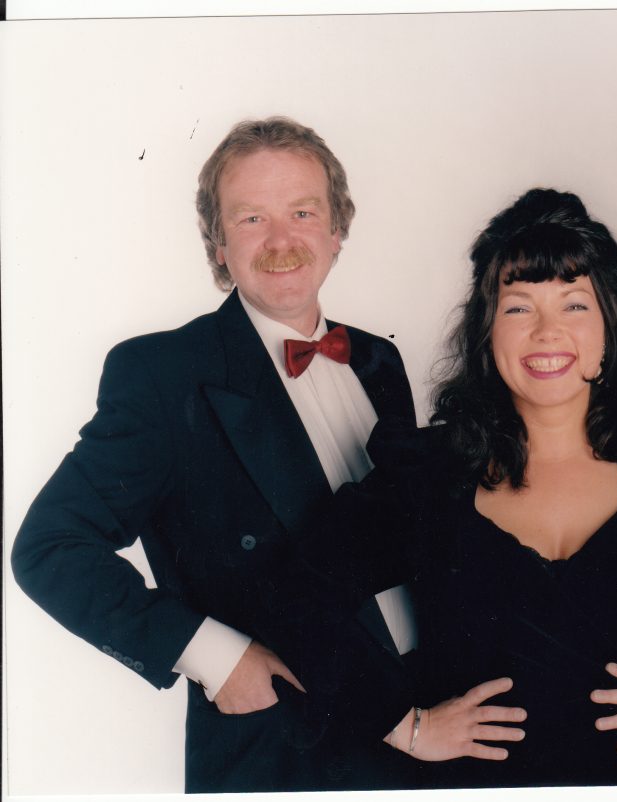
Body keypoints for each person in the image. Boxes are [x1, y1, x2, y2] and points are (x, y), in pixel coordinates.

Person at [276, 188, 617, 788]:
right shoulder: (429, 474)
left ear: (610, 326)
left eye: (574, 305)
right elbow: (294, 594)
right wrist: (403, 724)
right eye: (519, 308)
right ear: (487, 329)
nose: (547, 332)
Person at [10, 117, 418, 793]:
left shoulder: (379, 360)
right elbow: (50, 547)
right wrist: (214, 656)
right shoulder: (164, 375)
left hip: (420, 728)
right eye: (252, 218)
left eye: (303, 212)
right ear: (219, 244)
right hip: (285, 748)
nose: (282, 240)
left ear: (337, 230)